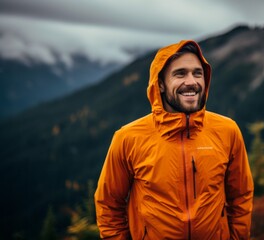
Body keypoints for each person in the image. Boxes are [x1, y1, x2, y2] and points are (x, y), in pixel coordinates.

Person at [94, 40, 254, 239]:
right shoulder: (128, 138)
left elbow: (241, 196)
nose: (191, 82)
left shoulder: (227, 131)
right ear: (160, 84)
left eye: (198, 73)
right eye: (180, 73)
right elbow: (108, 204)